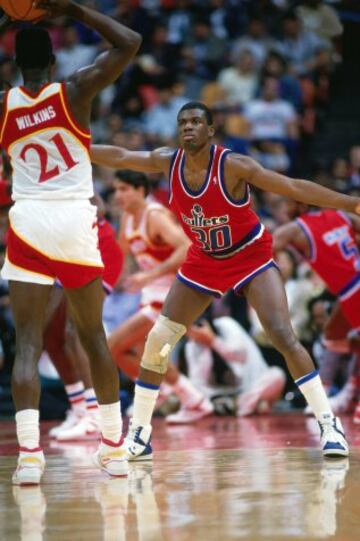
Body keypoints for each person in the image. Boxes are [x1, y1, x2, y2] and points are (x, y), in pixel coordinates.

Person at [90, 101, 360, 461]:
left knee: (282, 334)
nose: (188, 126)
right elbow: (121, 155)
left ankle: (328, 423)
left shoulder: (234, 165)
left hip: (250, 255)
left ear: (210, 130)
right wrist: (75, 144)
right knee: (159, 341)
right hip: (205, 261)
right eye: (183, 121)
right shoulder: (168, 161)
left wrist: (350, 203)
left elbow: (292, 186)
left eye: (196, 121)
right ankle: (139, 433)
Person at [0, 0, 141, 485]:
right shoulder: (75, 90)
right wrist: (73, 9)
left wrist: (8, 20)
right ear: (54, 61)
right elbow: (130, 43)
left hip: (28, 223)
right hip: (74, 220)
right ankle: (113, 447)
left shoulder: (4, 104)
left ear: (16, 63)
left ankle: (30, 458)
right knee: (93, 337)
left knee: (26, 345)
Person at [108, 169, 213, 425]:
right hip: (152, 292)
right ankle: (192, 400)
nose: (118, 195)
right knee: (147, 352)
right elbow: (120, 254)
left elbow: (187, 248)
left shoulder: (155, 216)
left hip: (172, 290)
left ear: (140, 190)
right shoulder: (127, 218)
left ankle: (159, 391)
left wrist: (148, 275)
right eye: (116, 190)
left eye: (124, 189)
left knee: (114, 347)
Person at [273, 202, 360, 422]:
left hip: (352, 289)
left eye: (285, 203)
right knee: (332, 339)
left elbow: (264, 247)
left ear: (298, 203)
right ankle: (348, 391)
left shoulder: (294, 229)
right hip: (349, 289)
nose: (282, 211)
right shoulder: (342, 215)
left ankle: (347, 395)